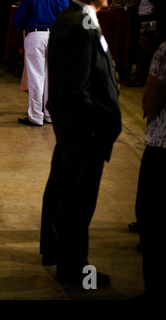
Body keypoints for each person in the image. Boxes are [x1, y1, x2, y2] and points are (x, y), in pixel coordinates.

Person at [39, 0, 122, 286]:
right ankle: (75, 271)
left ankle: (52, 248)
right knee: (78, 203)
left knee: (62, 187)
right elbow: (76, 89)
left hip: (72, 127)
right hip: (83, 130)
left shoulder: (73, 17)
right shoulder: (79, 23)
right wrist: (100, 124)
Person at [135, 28, 166, 300]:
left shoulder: (165, 51)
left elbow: (150, 101)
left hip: (163, 144)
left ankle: (154, 291)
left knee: (151, 215)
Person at [13, 0, 69, 126]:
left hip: (36, 34)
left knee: (36, 78)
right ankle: (50, 114)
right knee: (52, 78)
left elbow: (19, 18)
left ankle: (36, 116)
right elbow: (67, 17)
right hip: (56, 36)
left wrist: (21, 26)